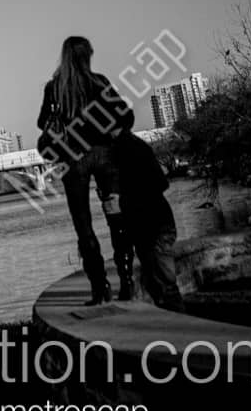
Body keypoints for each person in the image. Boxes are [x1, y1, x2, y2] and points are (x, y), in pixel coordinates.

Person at [37, 36, 134, 305]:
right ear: (88, 55)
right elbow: (126, 116)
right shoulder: (100, 82)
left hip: (73, 159)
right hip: (105, 156)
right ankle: (126, 282)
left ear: (64, 56)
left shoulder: (54, 88)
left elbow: (42, 122)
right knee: (117, 219)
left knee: (84, 226)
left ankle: (99, 288)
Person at [112, 129, 185, 310]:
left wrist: (127, 196)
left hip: (151, 225)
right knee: (159, 281)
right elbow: (162, 183)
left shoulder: (125, 149)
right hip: (155, 222)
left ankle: (179, 324)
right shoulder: (136, 145)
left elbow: (157, 184)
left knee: (163, 283)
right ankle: (176, 322)